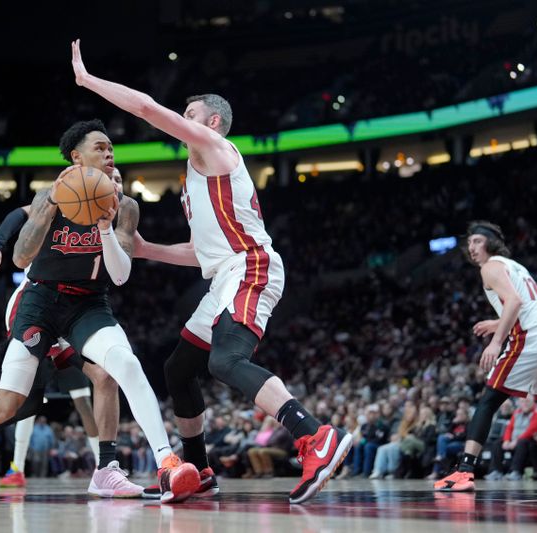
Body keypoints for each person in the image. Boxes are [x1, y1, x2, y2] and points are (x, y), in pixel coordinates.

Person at [70, 39, 353, 504]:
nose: (184, 119)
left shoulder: (215, 148)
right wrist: (145, 249)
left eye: (191, 113)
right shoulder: (196, 176)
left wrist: (88, 80)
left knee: (225, 360)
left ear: (213, 122)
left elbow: (144, 106)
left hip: (252, 266)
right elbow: (202, 254)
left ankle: (313, 435)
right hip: (225, 273)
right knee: (179, 368)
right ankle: (199, 468)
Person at [0, 120, 199, 503]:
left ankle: (165, 464)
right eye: (100, 147)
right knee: (8, 404)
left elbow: (121, 276)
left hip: (89, 303)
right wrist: (47, 211)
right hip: (40, 302)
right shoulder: (51, 196)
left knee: (123, 364)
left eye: (112, 148)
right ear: (76, 157)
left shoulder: (125, 206)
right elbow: (22, 256)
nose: (109, 154)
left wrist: (106, 229)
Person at [0, 171, 125, 489]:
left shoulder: (108, 210)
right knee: (26, 401)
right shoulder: (60, 197)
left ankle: (105, 466)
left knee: (102, 376)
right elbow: (17, 213)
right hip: (34, 305)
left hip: (72, 311)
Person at [434, 221, 537, 491]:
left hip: (532, 339)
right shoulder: (516, 267)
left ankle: (464, 471)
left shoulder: (490, 267)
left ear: (491, 242)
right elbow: (525, 304)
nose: (472, 247)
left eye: (477, 241)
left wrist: (496, 342)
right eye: (469, 243)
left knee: (488, 401)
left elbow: (514, 302)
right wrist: (497, 322)